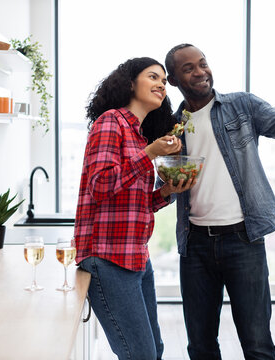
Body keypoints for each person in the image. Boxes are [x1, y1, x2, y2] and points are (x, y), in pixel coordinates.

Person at [164, 44, 275, 359]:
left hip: (243, 241)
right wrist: (169, 181)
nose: (200, 72)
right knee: (200, 345)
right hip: (195, 246)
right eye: (188, 68)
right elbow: (166, 188)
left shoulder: (242, 106)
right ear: (173, 80)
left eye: (203, 63)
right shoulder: (171, 126)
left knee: (257, 343)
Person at [74, 57, 196, 360]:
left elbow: (133, 203)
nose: (161, 85)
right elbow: (100, 185)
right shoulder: (110, 122)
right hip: (107, 259)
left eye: (164, 82)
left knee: (153, 350)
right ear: (131, 83)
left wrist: (168, 191)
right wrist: (151, 153)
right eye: (153, 77)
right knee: (140, 354)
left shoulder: (139, 135)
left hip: (136, 257)